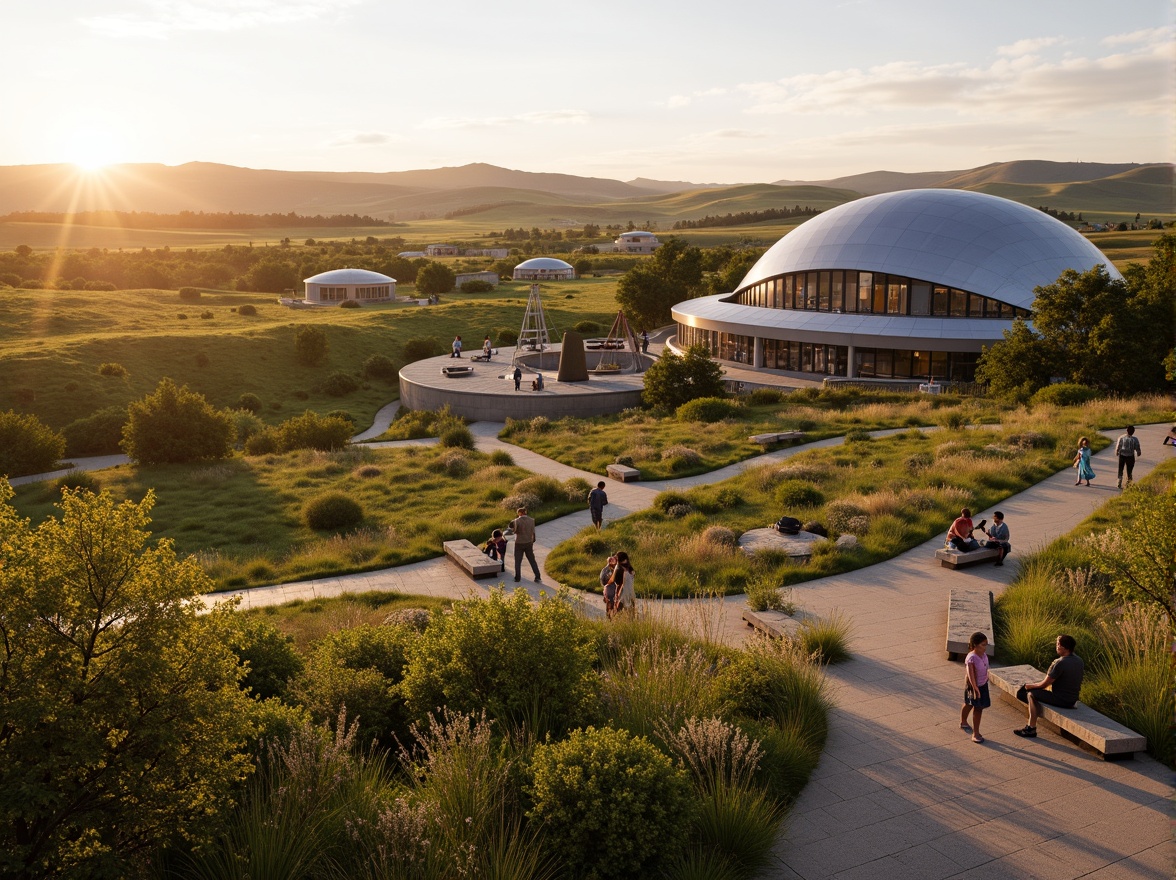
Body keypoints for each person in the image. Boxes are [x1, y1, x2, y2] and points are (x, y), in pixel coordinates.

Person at [1014, 634, 1085, 738]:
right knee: (1033, 693)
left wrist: (1029, 686)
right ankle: (1031, 725)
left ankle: (1031, 728)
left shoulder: (1060, 663)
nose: (1056, 647)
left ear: (1063, 647)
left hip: (1062, 700)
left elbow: (1045, 684)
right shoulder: (1079, 660)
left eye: (1057, 644)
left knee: (1030, 694)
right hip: (1073, 699)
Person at [959, 632, 990, 744]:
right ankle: (975, 733)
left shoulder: (984, 655)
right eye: (983, 645)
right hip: (974, 687)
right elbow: (971, 675)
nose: (985, 647)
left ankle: (964, 722)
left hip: (983, 684)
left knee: (971, 704)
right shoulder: (971, 658)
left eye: (986, 644)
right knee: (976, 707)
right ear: (975, 645)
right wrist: (976, 689)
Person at [505, 506, 541, 583]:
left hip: (519, 543)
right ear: (525, 512)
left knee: (518, 561)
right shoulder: (532, 520)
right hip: (528, 542)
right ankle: (537, 576)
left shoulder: (516, 521)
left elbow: (514, 531)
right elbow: (533, 532)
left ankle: (517, 578)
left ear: (520, 513)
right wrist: (532, 540)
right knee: (532, 560)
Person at [611, 551, 636, 616]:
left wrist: (617, 594)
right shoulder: (630, 569)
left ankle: (614, 623)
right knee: (631, 613)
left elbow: (618, 584)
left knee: (617, 612)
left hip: (622, 592)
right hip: (630, 592)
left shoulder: (619, 569)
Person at [600, 554, 618, 619]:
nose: (615, 560)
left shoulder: (615, 568)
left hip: (613, 589)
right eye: (612, 559)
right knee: (610, 604)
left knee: (614, 604)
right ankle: (609, 619)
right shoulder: (607, 570)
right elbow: (603, 581)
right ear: (609, 561)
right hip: (609, 589)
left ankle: (612, 618)